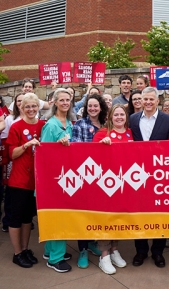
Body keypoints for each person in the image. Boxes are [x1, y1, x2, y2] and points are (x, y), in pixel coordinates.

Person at [129, 86, 169, 268]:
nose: (147, 102)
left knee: (159, 215)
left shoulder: (168, 120)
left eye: (151, 99)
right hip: (136, 175)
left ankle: (158, 252)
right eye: (144, 99)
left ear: (157, 101)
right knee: (138, 214)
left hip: (159, 175)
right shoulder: (132, 119)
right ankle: (140, 251)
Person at [6, 93, 44, 268]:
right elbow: (11, 154)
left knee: (28, 218)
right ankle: (17, 253)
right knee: (16, 217)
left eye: (33, 106)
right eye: (27, 106)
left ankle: (25, 249)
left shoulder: (42, 125)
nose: (31, 109)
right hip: (18, 181)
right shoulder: (16, 127)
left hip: (34, 181)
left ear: (38, 107)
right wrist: (27, 145)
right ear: (21, 108)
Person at [92, 104, 131, 275]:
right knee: (106, 220)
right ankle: (104, 255)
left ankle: (114, 249)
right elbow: (91, 157)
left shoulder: (129, 133)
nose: (119, 118)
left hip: (124, 185)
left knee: (119, 218)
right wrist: (101, 146)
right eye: (116, 115)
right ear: (110, 117)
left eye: (122, 115)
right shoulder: (102, 133)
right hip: (106, 186)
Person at [72, 93, 108, 269]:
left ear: (101, 107)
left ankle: (94, 242)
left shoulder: (106, 125)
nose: (93, 109)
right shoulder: (80, 124)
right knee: (84, 214)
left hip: (104, 176)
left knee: (98, 213)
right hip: (86, 174)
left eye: (96, 106)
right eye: (90, 106)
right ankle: (83, 249)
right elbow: (77, 149)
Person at [41, 88, 74, 273]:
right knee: (58, 218)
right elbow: (44, 153)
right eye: (61, 100)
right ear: (54, 102)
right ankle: (55, 258)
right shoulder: (51, 125)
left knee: (58, 217)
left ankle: (50, 251)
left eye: (67, 100)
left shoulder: (68, 122)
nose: (65, 103)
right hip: (54, 179)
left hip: (65, 178)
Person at [1, 93, 24, 232]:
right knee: (11, 190)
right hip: (13, 159)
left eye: (23, 101)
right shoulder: (10, 119)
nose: (21, 103)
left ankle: (24, 219)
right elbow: (6, 140)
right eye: (19, 101)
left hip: (28, 161)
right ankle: (8, 220)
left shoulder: (35, 118)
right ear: (15, 103)